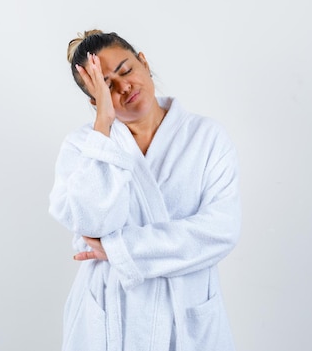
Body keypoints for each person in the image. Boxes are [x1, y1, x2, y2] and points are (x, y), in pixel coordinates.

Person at [49, 29, 242, 351]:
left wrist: (118, 249)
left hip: (185, 309)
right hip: (111, 311)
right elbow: (91, 225)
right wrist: (103, 129)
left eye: (126, 70)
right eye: (106, 86)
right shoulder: (83, 146)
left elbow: (221, 230)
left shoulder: (206, 137)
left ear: (143, 62)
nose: (124, 87)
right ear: (94, 101)